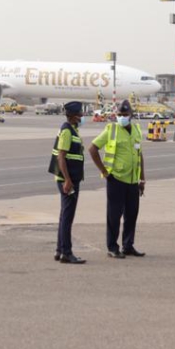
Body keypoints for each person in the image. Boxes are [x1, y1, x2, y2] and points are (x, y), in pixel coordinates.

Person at [89, 99, 147, 259]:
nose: (122, 117)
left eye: (125, 114)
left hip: (132, 181)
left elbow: (139, 154)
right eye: (119, 114)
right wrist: (104, 171)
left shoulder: (136, 130)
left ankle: (128, 245)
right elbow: (92, 148)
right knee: (114, 215)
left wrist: (142, 179)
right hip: (116, 179)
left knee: (132, 214)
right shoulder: (111, 129)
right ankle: (112, 247)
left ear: (131, 115)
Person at [52, 101, 86, 264]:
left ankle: (60, 250)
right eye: (80, 114)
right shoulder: (67, 131)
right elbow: (61, 157)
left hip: (71, 179)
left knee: (64, 216)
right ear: (73, 116)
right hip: (68, 181)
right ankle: (67, 252)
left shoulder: (72, 130)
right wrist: (67, 180)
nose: (82, 116)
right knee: (67, 217)